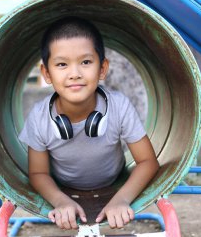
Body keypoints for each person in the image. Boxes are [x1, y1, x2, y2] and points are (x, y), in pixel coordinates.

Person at [19, 16, 159, 230]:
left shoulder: (118, 106)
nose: (74, 74)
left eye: (85, 62)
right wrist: (59, 200)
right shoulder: (39, 117)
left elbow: (148, 162)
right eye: (62, 64)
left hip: (113, 182)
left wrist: (122, 199)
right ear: (47, 73)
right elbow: (38, 174)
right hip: (63, 187)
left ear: (102, 69)